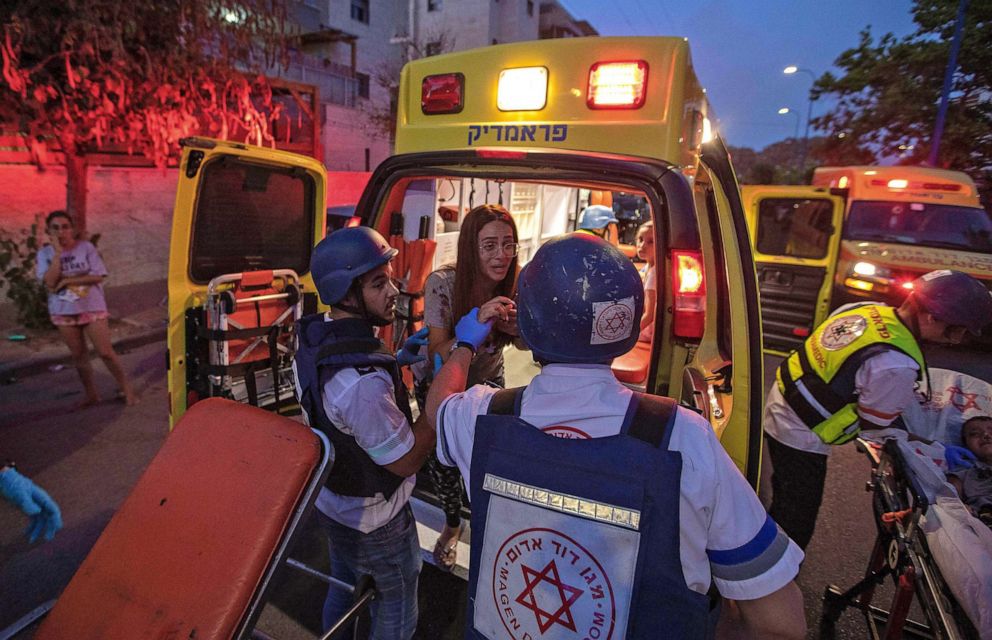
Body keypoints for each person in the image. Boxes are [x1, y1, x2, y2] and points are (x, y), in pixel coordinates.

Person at [426, 233, 806, 639]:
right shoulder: (681, 437)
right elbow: (779, 623)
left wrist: (465, 343)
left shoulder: (483, 416)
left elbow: (436, 407)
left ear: (530, 325)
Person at [764, 269, 992, 550]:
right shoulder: (896, 364)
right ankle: (771, 582)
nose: (955, 340)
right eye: (956, 330)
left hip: (783, 397)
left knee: (782, 499)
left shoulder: (865, 309)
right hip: (801, 434)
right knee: (795, 519)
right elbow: (876, 428)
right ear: (932, 316)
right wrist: (937, 449)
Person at [292, 226, 436, 639]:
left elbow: (337, 404)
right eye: (378, 283)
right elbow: (406, 459)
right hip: (377, 522)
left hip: (332, 503)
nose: (393, 290)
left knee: (344, 584)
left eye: (388, 277)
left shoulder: (315, 332)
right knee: (397, 605)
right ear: (347, 293)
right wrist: (437, 406)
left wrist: (395, 359)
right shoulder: (361, 384)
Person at [419, 204, 522, 571]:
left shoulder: (516, 282)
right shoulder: (443, 283)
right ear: (470, 248)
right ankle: (451, 525)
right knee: (444, 465)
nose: (501, 255)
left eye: (508, 245)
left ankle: (490, 530)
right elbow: (435, 351)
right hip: (443, 383)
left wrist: (515, 330)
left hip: (491, 380)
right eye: (490, 245)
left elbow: (526, 345)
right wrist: (475, 326)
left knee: (491, 462)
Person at [36, 210, 137, 407]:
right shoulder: (45, 254)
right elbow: (48, 282)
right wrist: (58, 254)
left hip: (91, 307)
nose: (61, 232)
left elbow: (98, 276)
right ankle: (91, 394)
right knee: (79, 355)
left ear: (72, 229)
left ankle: (127, 389)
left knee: (105, 351)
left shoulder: (86, 248)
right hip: (63, 310)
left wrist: (66, 280)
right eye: (55, 228)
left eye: (65, 227)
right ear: (49, 231)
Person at [0, 462, 62, 543]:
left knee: (43, 507)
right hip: (13, 486)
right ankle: (42, 521)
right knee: (37, 509)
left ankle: (42, 521)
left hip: (18, 482)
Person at [947, 415, 992, 527]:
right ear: (966, 445)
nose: (986, 435)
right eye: (975, 434)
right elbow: (949, 496)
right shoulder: (964, 472)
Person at [635, 220, 656, 343]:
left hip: (646, 332)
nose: (642, 245)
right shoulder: (647, 268)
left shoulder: (653, 274)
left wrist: (630, 335)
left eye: (650, 241)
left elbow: (649, 314)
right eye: (640, 239)